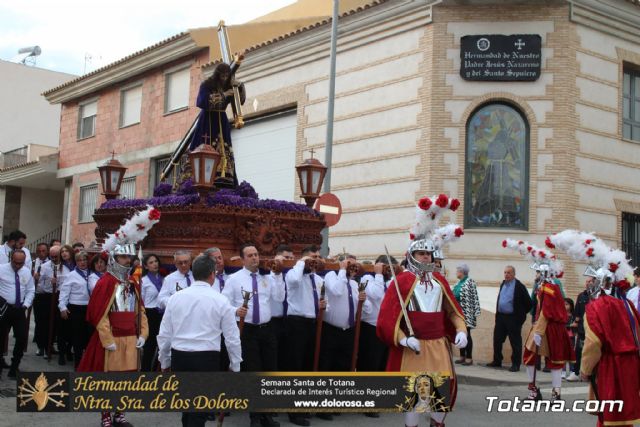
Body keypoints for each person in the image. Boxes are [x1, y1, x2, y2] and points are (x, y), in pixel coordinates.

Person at [377, 194, 467, 427]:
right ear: (412, 256)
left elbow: (454, 312)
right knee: (415, 397)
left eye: (429, 253)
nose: (426, 257)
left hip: (438, 345)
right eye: (421, 254)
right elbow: (387, 319)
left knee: (441, 396)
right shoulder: (402, 281)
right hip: (414, 347)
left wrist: (461, 330)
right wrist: (404, 340)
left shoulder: (440, 281)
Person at [157, 255, 242, 427]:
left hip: (181, 356)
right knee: (197, 409)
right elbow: (232, 337)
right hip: (206, 358)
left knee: (188, 407)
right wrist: (235, 364)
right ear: (213, 274)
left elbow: (165, 334)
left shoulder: (176, 298)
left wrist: (164, 361)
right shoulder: (220, 300)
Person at [78, 243, 149, 427]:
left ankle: (120, 413)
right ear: (114, 258)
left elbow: (139, 311)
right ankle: (106, 416)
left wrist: (143, 333)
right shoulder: (106, 282)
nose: (128, 261)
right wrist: (107, 339)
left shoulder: (133, 282)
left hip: (131, 338)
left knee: (127, 379)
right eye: (124, 257)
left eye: (130, 257)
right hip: (112, 339)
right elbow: (99, 315)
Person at [222, 244, 284, 427]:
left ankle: (267, 415)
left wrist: (278, 276)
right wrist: (235, 310)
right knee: (254, 372)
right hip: (247, 330)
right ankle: (255, 416)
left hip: (267, 329)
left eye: (256, 254)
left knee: (269, 370)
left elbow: (279, 298)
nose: (255, 258)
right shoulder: (234, 279)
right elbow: (224, 304)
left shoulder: (267, 278)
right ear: (243, 259)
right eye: (250, 255)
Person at [284, 245, 327, 427]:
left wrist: (325, 305)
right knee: (296, 367)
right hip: (296, 323)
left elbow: (325, 302)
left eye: (318, 257)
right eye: (312, 257)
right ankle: (294, 411)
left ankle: (305, 405)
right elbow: (293, 280)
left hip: (313, 324)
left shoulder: (317, 279)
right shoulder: (294, 274)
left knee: (309, 365)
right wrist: (302, 262)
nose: (315, 260)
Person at [189, 60, 246, 188]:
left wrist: (240, 87)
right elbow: (202, 101)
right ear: (217, 75)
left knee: (224, 149)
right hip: (208, 120)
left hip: (222, 119)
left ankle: (225, 177)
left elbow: (240, 101)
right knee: (205, 148)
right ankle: (203, 178)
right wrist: (224, 95)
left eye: (227, 76)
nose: (225, 79)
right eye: (223, 76)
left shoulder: (229, 86)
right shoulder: (207, 85)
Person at [486, 265, 532, 372]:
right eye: (505, 272)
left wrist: (519, 316)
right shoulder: (503, 284)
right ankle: (497, 361)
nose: (506, 275)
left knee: (515, 341)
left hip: (513, 318)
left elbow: (529, 303)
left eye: (509, 273)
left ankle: (515, 364)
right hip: (501, 317)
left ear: (514, 274)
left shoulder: (519, 286)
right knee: (497, 339)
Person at [0, 249, 35, 379]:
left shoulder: (25, 271)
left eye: (21, 263)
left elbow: (31, 290)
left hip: (19, 309)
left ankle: (15, 367)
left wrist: (26, 304)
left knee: (21, 337)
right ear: (11, 259)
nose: (18, 265)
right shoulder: (2, 269)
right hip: (4, 309)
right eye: (16, 262)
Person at [58, 250, 94, 368]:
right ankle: (78, 364)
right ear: (76, 262)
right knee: (77, 337)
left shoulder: (92, 274)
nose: (82, 262)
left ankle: (88, 362)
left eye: (84, 260)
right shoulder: (71, 275)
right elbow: (64, 293)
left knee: (89, 336)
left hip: (90, 308)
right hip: (76, 308)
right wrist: (62, 307)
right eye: (79, 260)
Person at [270, 244, 294, 371]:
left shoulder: (294, 275)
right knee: (273, 357)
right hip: (272, 321)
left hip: (289, 321)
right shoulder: (269, 275)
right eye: (285, 258)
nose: (288, 261)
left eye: (291, 258)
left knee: (287, 356)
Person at [453, 264, 481, 365]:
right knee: (460, 334)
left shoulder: (469, 282)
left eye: (457, 271)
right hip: (458, 314)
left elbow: (472, 298)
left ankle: (469, 358)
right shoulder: (458, 283)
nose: (456, 273)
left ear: (462, 272)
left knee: (467, 335)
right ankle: (462, 356)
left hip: (467, 314)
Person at [140, 253, 164, 372]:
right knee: (149, 346)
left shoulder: (163, 279)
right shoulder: (144, 281)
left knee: (162, 346)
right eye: (151, 262)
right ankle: (144, 372)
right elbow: (141, 301)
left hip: (161, 314)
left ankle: (157, 370)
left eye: (156, 261)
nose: (155, 264)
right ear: (145, 266)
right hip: (149, 314)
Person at [568, 276, 591, 382]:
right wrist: (575, 324)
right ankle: (576, 372)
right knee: (578, 351)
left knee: (590, 352)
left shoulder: (597, 296)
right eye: (587, 281)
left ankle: (588, 372)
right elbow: (577, 313)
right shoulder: (581, 296)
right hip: (582, 329)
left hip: (592, 330)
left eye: (590, 281)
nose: (588, 283)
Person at [31, 242, 49, 356]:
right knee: (38, 321)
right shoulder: (33, 263)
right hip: (37, 295)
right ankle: (40, 345)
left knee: (47, 321)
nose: (41, 253)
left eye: (43, 251)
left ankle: (47, 345)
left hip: (47, 295)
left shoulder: (50, 263)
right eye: (39, 251)